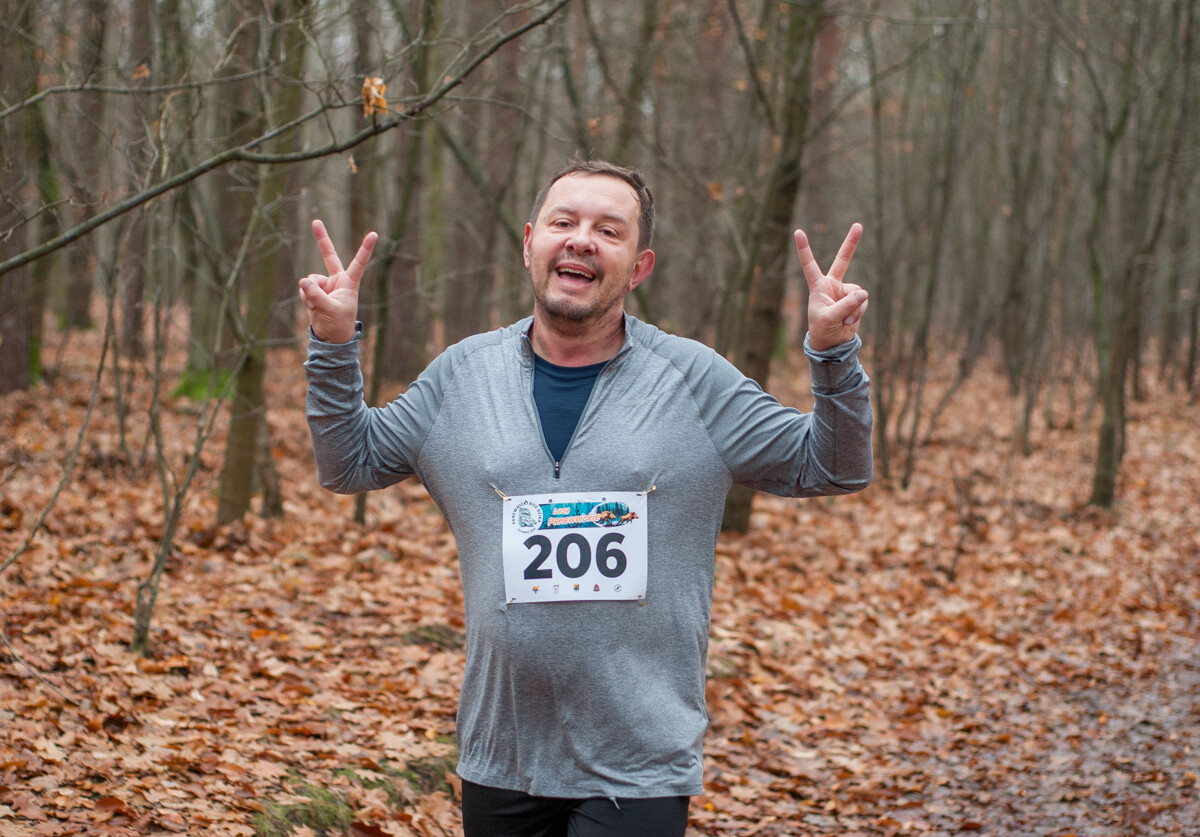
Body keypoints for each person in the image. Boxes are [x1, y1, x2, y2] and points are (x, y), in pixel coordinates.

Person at [299, 158, 872, 837]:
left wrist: (833, 354)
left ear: (638, 267)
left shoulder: (693, 380)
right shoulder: (462, 376)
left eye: (609, 230)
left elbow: (832, 465)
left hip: (639, 761)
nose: (581, 240)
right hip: (500, 754)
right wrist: (334, 345)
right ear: (529, 242)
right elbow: (348, 462)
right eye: (564, 222)